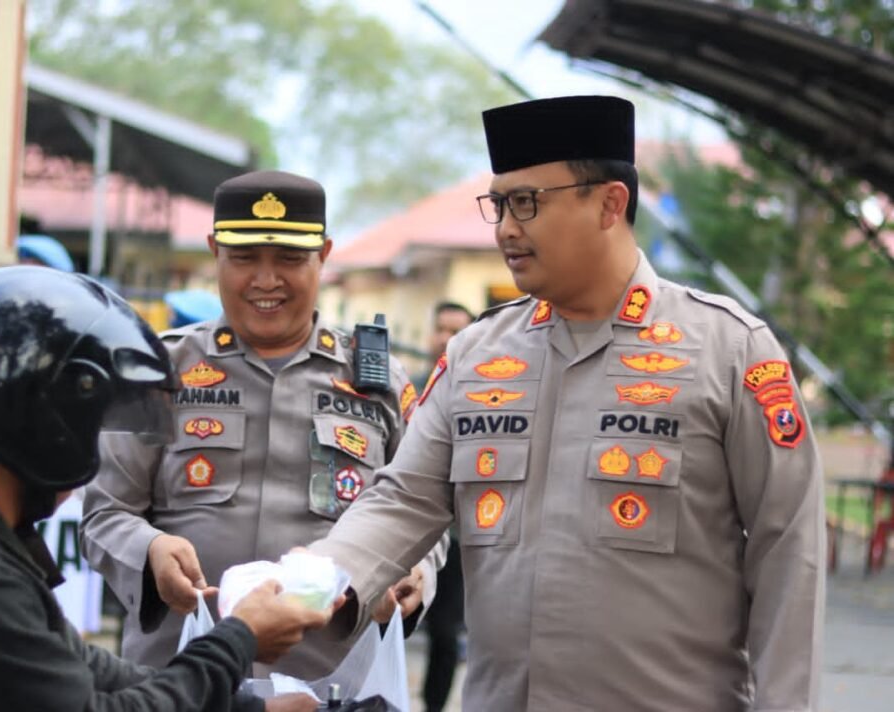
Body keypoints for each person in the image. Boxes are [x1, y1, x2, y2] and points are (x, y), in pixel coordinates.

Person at [309, 95, 825, 711]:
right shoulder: (477, 353)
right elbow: (403, 500)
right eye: (498, 205)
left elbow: (788, 552)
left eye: (527, 203)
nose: (505, 228)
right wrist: (305, 582)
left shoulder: (729, 349)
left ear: (610, 203)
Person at [0, 266, 328, 712]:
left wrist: (248, 707)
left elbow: (84, 666)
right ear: (44, 425)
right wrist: (239, 637)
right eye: (90, 424)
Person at [81, 169, 445, 678]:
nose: (266, 280)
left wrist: (417, 571)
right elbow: (103, 515)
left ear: (324, 254)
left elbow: (425, 505)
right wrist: (150, 551)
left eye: (291, 259)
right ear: (214, 251)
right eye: (244, 258)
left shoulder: (381, 382)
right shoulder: (155, 373)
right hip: (181, 682)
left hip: (332, 685)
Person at [418, 302, 472, 712]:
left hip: (456, 536)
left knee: (443, 632)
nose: (445, 338)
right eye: (440, 328)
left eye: (456, 330)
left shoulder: (484, 394)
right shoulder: (413, 387)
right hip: (410, 531)